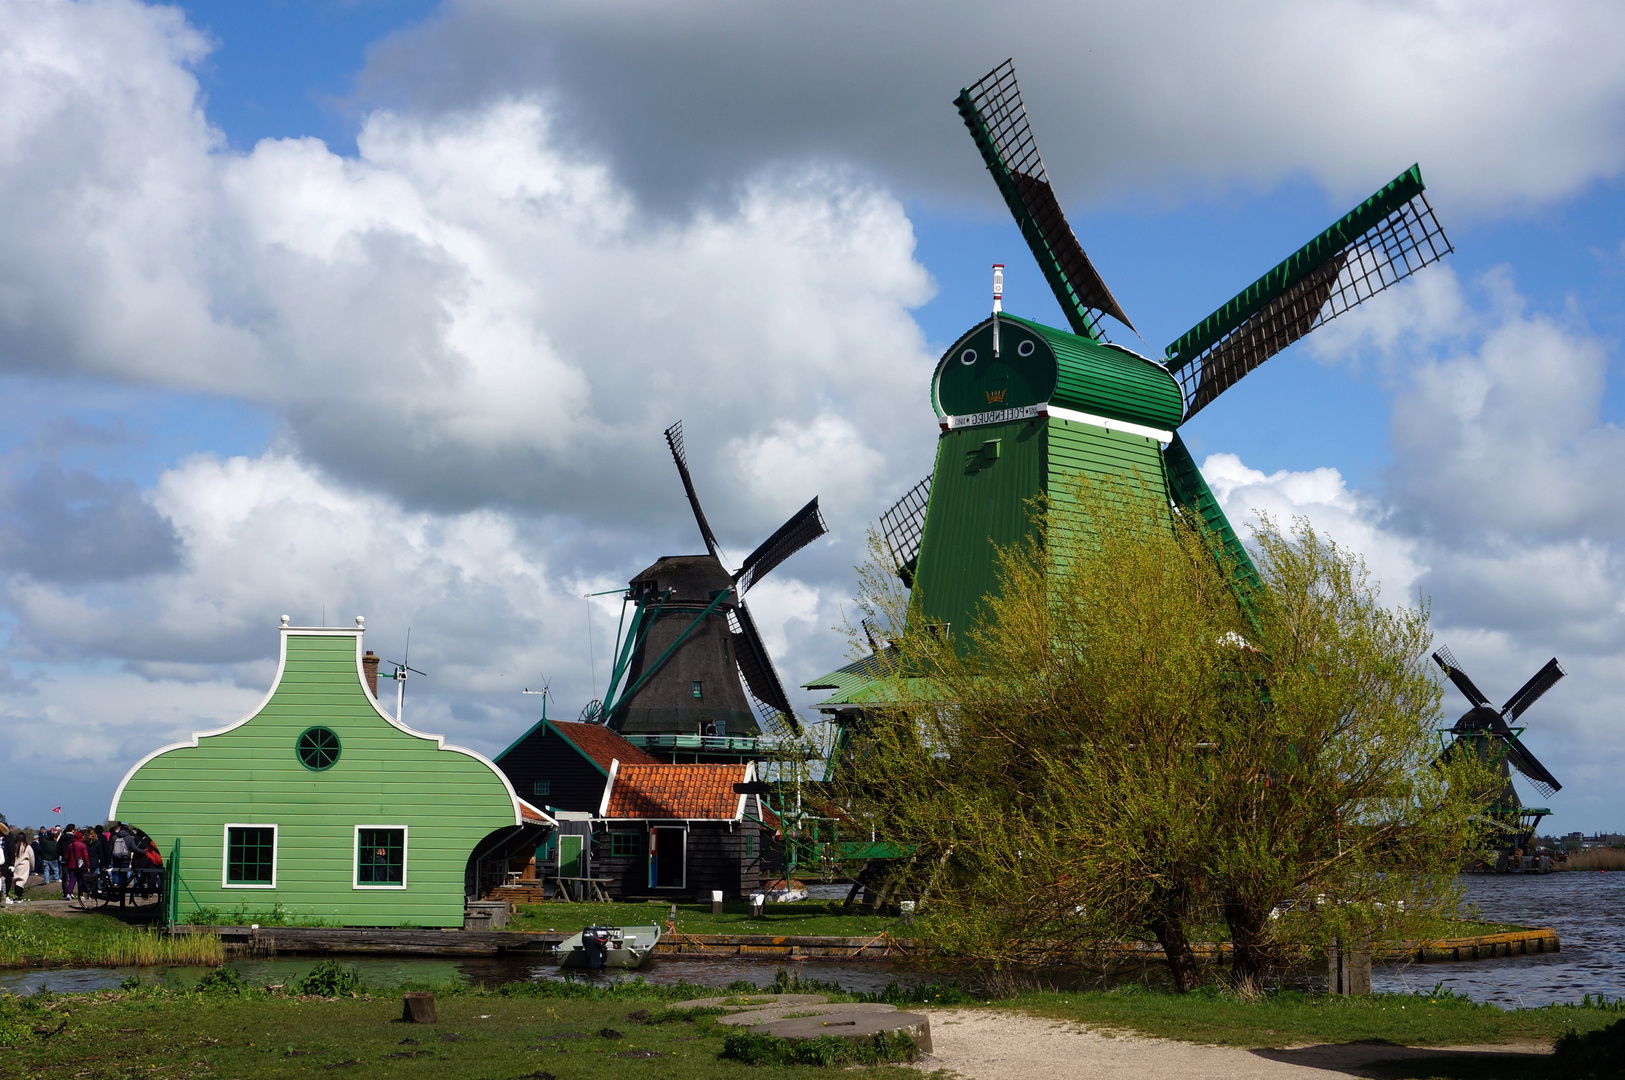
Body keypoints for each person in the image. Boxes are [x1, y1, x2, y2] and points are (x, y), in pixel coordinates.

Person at [63, 827, 89, 900]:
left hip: (71, 865)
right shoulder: (83, 845)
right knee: (80, 880)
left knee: (72, 880)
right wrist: (88, 865)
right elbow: (85, 856)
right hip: (80, 865)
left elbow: (66, 856)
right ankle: (81, 895)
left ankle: (68, 893)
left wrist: (66, 864)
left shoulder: (71, 845)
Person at [9, 829, 34, 902]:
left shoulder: (14, 846)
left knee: (16, 880)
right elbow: (31, 857)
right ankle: (18, 896)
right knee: (21, 881)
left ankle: (16, 896)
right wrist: (32, 867)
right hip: (24, 865)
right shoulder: (27, 847)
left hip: (15, 866)